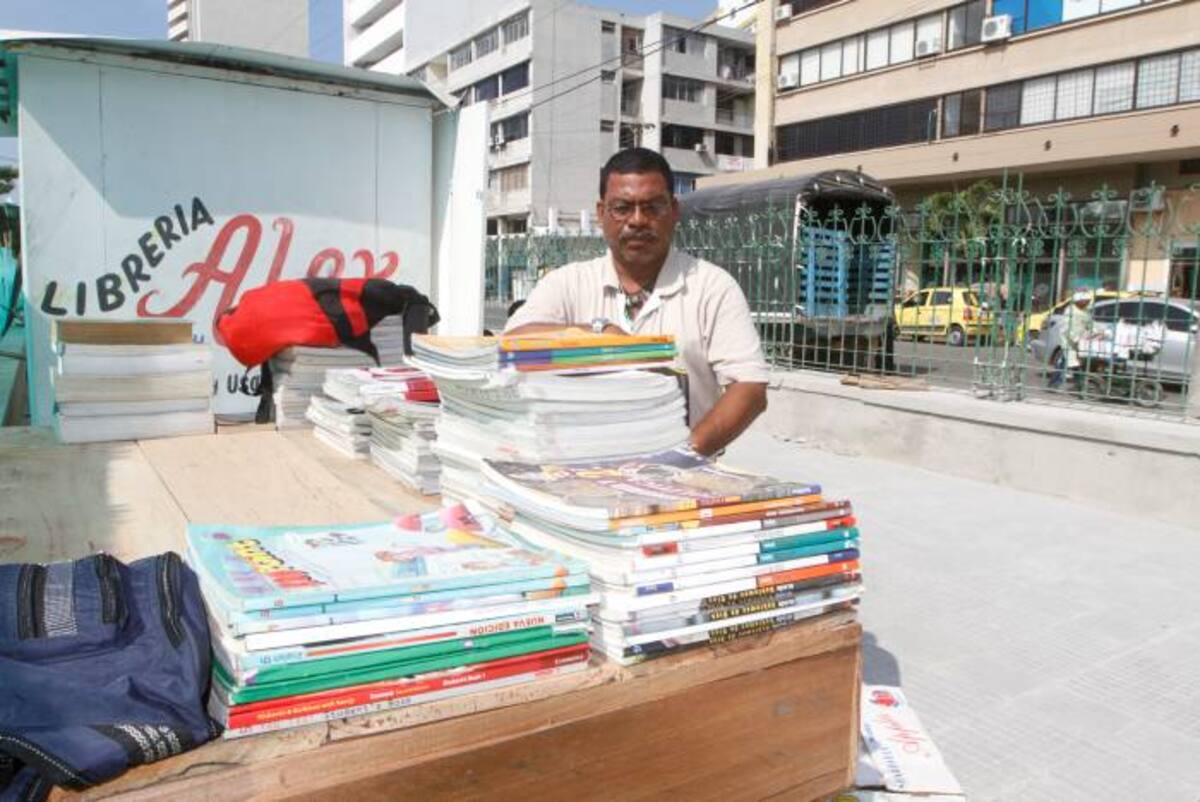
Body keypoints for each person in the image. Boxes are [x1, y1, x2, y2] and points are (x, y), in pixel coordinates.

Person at [505, 148, 769, 455]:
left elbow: (749, 387)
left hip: (683, 471)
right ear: (601, 213)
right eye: (622, 208)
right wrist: (597, 334)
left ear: (674, 210)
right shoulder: (567, 283)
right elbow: (512, 346)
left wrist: (681, 455)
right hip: (577, 466)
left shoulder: (712, 287)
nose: (638, 220)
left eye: (653, 207)